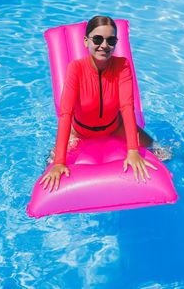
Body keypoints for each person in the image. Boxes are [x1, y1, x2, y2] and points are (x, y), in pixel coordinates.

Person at [40, 15, 158, 192]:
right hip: (79, 132)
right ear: (86, 41)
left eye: (111, 40)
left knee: (161, 152)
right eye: (97, 39)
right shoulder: (76, 68)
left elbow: (126, 107)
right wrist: (59, 163)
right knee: (47, 167)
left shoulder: (122, 65)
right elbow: (66, 114)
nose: (104, 45)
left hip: (114, 126)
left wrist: (133, 151)